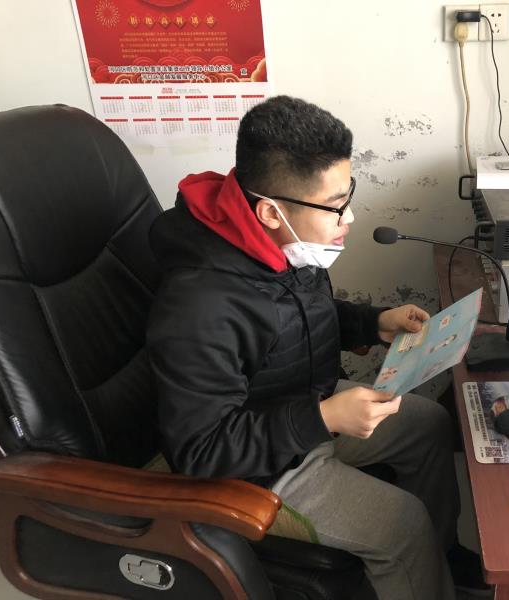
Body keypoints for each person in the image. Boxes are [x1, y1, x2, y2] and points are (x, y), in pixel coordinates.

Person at [146, 95, 489, 599]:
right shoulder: (199, 305)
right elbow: (202, 450)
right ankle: (417, 563)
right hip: (256, 469)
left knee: (429, 423)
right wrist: (324, 418)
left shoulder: (277, 242)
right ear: (270, 212)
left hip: (300, 406)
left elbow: (291, 320)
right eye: (334, 206)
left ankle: (438, 562)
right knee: (401, 525)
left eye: (347, 196)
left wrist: (373, 323)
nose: (348, 217)